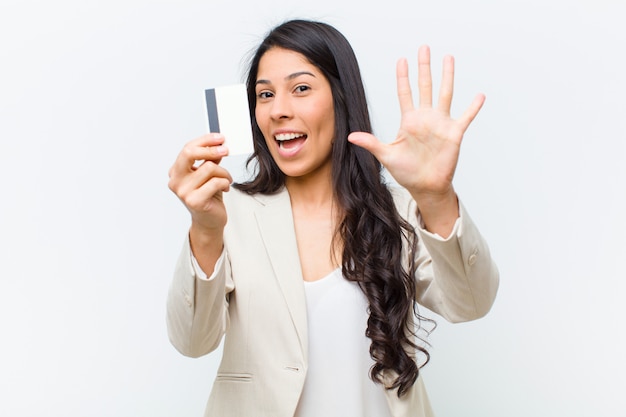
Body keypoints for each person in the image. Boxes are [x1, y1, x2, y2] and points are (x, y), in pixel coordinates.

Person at [166, 19, 499, 417]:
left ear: (341, 98)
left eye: (301, 88)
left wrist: (437, 197)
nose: (278, 110)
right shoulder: (227, 213)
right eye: (265, 94)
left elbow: (472, 303)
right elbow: (192, 342)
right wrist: (204, 231)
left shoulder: (398, 210)